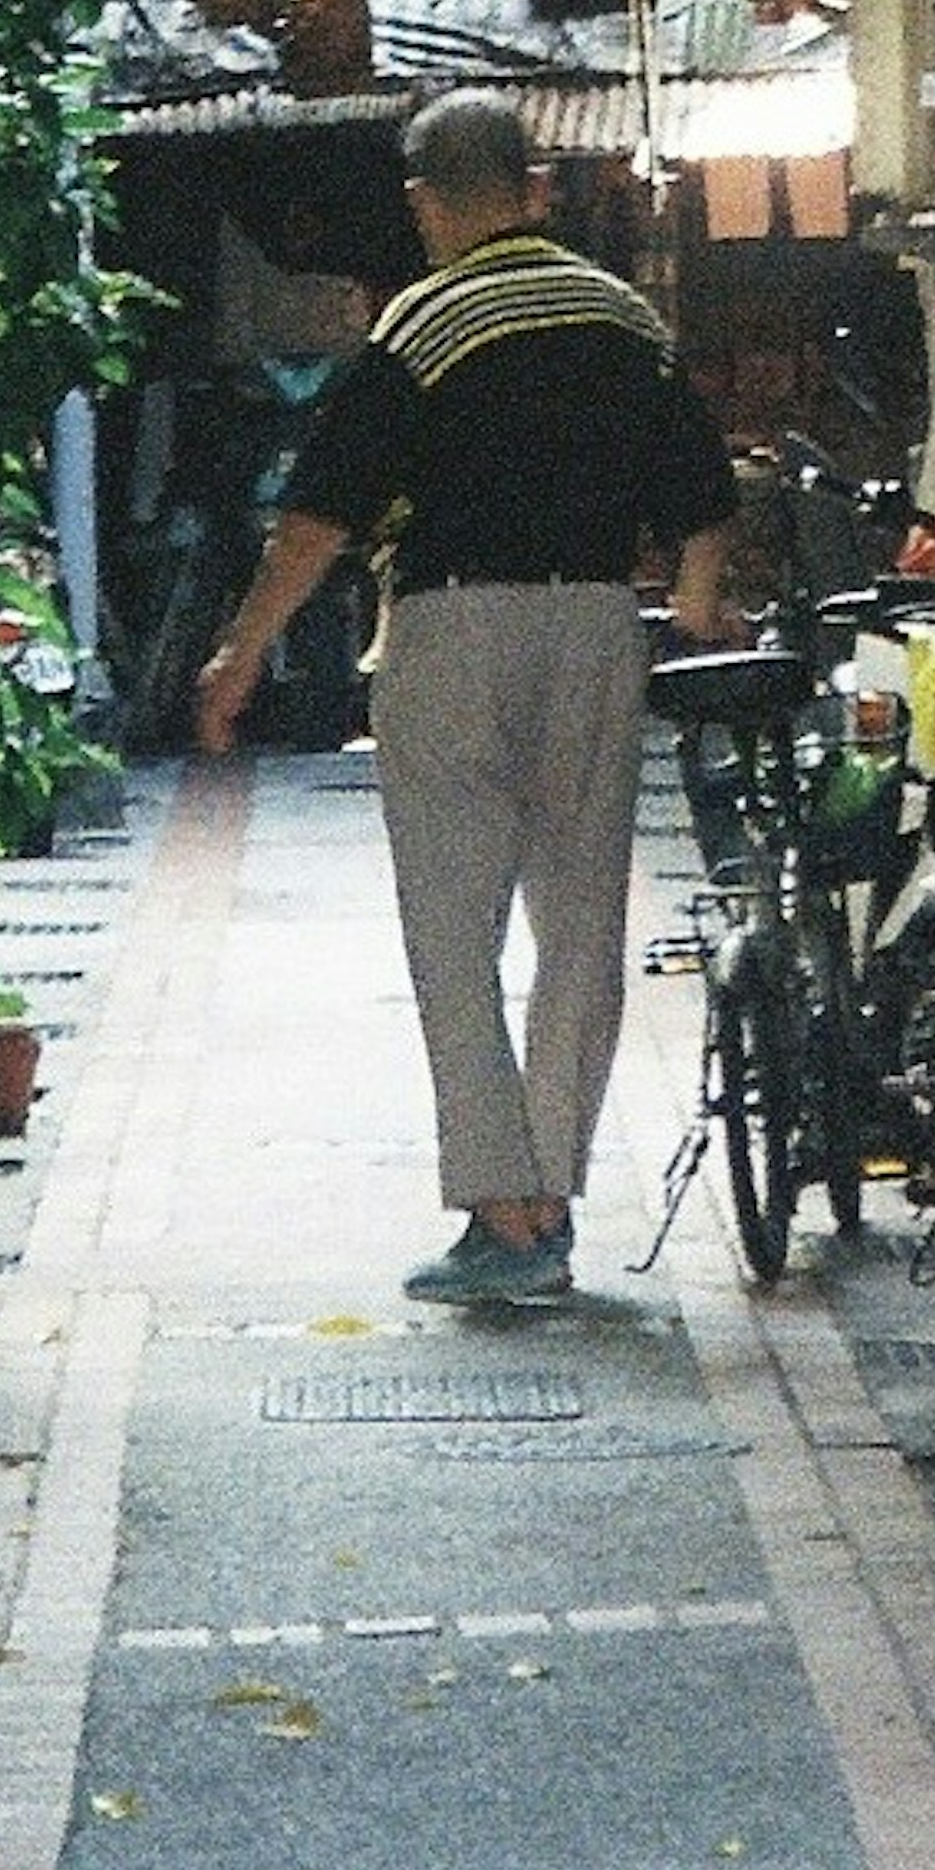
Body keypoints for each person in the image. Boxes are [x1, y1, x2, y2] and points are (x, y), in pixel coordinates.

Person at [191, 90, 737, 1306]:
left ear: (424, 201)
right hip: (594, 623)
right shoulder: (625, 316)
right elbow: (703, 505)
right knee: (582, 920)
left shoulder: (423, 324)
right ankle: (553, 1191)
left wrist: (240, 656)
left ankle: (503, 1205)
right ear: (537, 188)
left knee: (455, 926)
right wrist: (694, 613)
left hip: (449, 628)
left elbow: (317, 520)